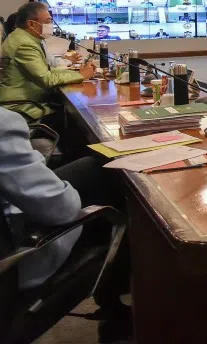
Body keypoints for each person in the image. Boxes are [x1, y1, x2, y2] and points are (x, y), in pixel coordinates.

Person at [0, 107, 132, 340]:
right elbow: (62, 209)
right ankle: (119, 313)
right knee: (115, 180)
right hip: (14, 263)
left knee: (91, 168)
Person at [0, 2, 95, 123]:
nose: (51, 25)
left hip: (28, 101)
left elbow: (46, 69)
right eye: (48, 21)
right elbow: (47, 79)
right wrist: (81, 75)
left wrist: (77, 72)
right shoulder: (25, 44)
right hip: (22, 108)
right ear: (31, 24)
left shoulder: (22, 37)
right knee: (77, 118)